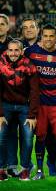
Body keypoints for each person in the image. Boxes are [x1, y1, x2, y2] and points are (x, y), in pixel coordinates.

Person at [25, 24, 56, 180]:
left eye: (52, 36)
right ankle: (39, 171)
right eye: (46, 36)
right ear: (41, 37)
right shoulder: (31, 52)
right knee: (41, 137)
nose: (48, 39)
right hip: (40, 103)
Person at [0, 40, 39, 181]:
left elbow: (35, 91)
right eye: (11, 50)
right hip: (6, 105)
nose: (13, 53)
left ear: (22, 51)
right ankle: (2, 169)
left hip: (24, 106)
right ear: (7, 51)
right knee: (1, 137)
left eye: (17, 50)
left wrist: (32, 115)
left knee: (28, 139)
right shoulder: (0, 64)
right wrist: (0, 114)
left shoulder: (30, 66)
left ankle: (24, 169)